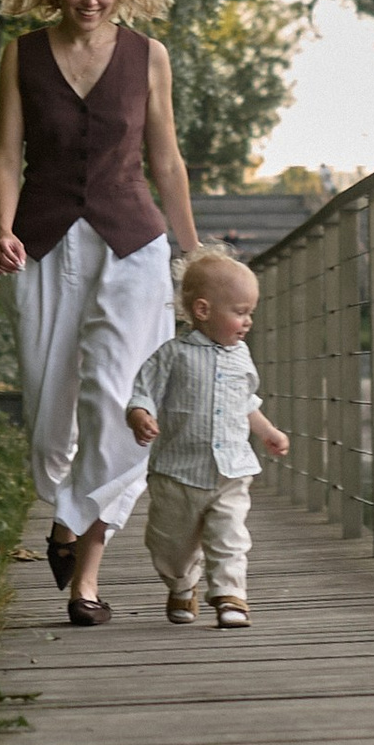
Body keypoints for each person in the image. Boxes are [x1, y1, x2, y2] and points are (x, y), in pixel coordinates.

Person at [0, 0, 197, 628]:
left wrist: (190, 256)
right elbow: (6, 156)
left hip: (133, 243)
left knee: (121, 409)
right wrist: (2, 229)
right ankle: (63, 514)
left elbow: (166, 161)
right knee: (50, 423)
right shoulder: (20, 57)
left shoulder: (150, 58)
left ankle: (84, 564)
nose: (90, 0)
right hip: (45, 243)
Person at [126, 249, 289, 629]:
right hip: (177, 473)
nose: (248, 321)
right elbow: (143, 391)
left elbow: (244, 402)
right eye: (240, 311)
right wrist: (140, 415)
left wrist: (268, 431)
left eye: (250, 312)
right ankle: (182, 585)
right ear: (202, 310)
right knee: (170, 545)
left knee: (230, 537)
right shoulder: (172, 355)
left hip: (229, 472)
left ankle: (231, 596)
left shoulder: (242, 356)